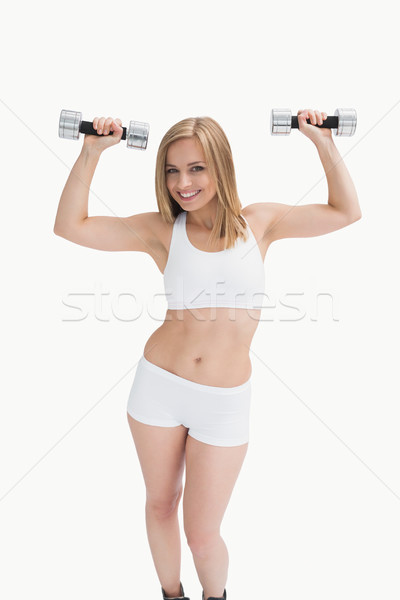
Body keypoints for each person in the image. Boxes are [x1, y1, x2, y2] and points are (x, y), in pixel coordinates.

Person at [53, 109, 362, 600]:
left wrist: (321, 140)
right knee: (160, 505)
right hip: (158, 388)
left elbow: (346, 211)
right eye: (172, 171)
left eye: (196, 168)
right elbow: (70, 226)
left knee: (202, 534)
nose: (183, 183)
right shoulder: (161, 230)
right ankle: (171, 595)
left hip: (223, 402)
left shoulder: (260, 223)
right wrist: (91, 151)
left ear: (221, 165)